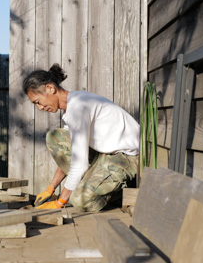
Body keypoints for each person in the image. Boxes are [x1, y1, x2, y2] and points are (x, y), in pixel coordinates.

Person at [23, 64, 140, 212]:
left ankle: (116, 191)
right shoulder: (74, 104)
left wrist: (59, 202)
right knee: (55, 137)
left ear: (50, 88)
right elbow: (73, 153)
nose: (39, 108)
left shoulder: (78, 108)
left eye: (38, 102)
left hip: (125, 158)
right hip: (105, 154)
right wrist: (50, 189)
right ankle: (90, 184)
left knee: (79, 200)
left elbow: (79, 163)